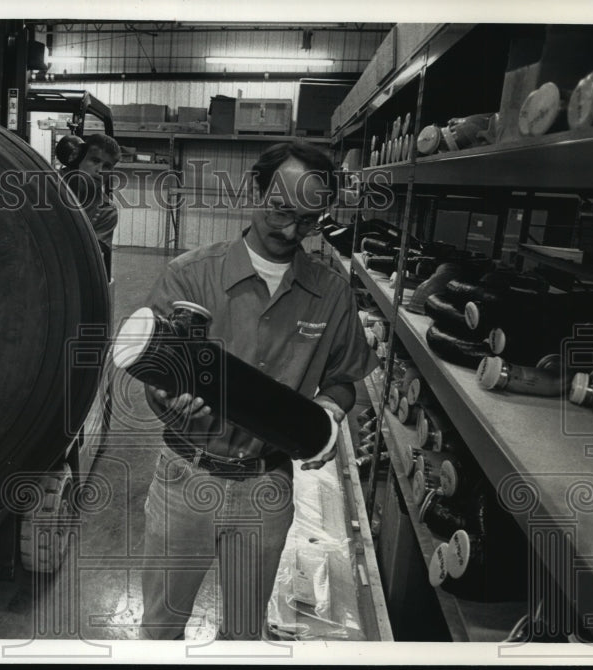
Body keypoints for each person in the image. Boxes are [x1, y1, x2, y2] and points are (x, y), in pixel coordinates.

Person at [138, 141, 378, 641]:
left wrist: (326, 414)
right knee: (161, 629)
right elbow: (153, 374)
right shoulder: (190, 276)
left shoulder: (330, 293)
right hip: (186, 478)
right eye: (280, 210)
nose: (291, 230)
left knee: (244, 634)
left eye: (308, 221)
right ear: (256, 188)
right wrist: (166, 398)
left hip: (266, 487)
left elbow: (344, 379)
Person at [56, 133, 121, 272]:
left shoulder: (106, 210)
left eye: (107, 166)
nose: (100, 171)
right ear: (78, 157)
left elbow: (87, 258)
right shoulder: (47, 184)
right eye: (95, 160)